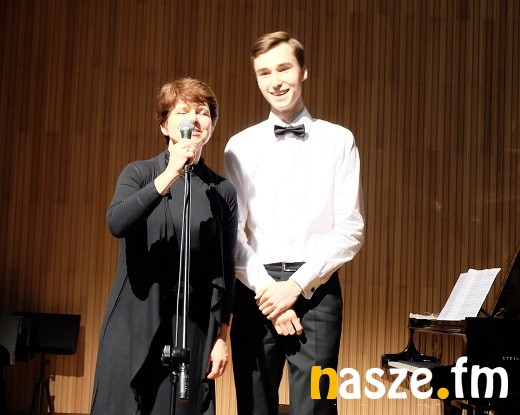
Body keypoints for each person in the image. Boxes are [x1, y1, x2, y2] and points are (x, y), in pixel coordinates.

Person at [224, 31, 365, 415]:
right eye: (264, 72)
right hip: (256, 289)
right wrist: (270, 291)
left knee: (318, 406)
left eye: (284, 68)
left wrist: (296, 285)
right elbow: (232, 232)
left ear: (303, 71)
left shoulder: (339, 140)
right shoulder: (239, 146)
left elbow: (350, 228)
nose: (275, 81)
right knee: (253, 406)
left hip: (318, 292)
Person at [91, 77, 237, 415]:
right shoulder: (139, 173)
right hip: (134, 318)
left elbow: (226, 270)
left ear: (212, 127)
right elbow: (117, 223)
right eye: (183, 111)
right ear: (164, 125)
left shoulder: (222, 191)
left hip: (192, 326)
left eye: (203, 112)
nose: (194, 119)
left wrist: (222, 337)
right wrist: (171, 172)